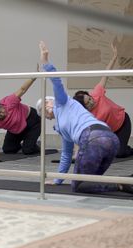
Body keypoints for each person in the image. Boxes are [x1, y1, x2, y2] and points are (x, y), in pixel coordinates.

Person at [36, 41, 132, 194]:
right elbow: (66, 155)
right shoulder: (62, 127)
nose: (46, 112)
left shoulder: (63, 102)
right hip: (110, 139)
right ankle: (127, 182)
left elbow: (57, 82)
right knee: (90, 183)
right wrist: (58, 180)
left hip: (94, 139)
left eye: (44, 106)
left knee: (79, 186)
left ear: (50, 103)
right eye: (43, 111)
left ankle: (121, 184)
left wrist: (46, 62)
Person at [73, 42, 132, 158]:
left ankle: (127, 149)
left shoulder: (97, 93)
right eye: (88, 103)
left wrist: (114, 57)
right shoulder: (86, 116)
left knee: (120, 153)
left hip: (123, 122)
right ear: (84, 108)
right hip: (109, 132)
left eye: (89, 98)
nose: (91, 102)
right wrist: (76, 154)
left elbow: (106, 73)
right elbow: (78, 133)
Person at [0, 74, 39, 157]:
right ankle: (28, 142)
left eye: (1, 112)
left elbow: (22, 89)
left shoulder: (9, 102)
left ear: (0, 105)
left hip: (32, 121)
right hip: (16, 129)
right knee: (8, 150)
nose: (1, 115)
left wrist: (32, 78)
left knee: (28, 150)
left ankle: (32, 143)